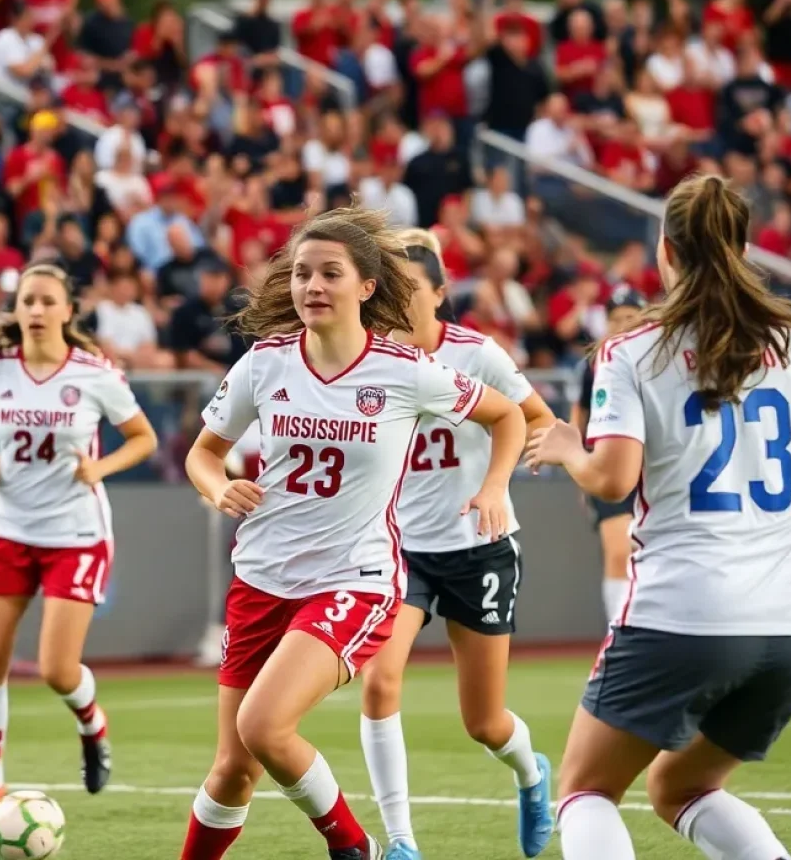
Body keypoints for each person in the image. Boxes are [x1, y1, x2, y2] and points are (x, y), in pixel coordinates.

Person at [178, 206, 528, 860]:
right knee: (234, 767)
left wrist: (493, 487)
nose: (312, 285)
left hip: (353, 580)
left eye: (329, 273)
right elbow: (203, 452)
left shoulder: (403, 370)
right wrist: (219, 484)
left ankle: (353, 845)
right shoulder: (264, 364)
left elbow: (507, 417)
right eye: (302, 273)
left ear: (366, 286)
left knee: (263, 725)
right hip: (259, 580)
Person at [526, 173, 791, 860]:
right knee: (681, 787)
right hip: (786, 621)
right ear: (744, 248)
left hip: (683, 610)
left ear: (664, 252)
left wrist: (565, 447)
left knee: (584, 789)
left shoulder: (633, 351)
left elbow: (612, 477)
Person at [358, 229, 556, 860]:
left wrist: (501, 480)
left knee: (484, 722)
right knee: (379, 682)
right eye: (387, 288)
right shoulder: (369, 359)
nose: (397, 300)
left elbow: (539, 419)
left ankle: (531, 774)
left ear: (440, 295)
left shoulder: (479, 355)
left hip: (479, 547)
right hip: (400, 550)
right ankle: (401, 841)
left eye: (410, 288)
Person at [0, 262, 159, 819]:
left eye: (47, 301)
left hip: (75, 533)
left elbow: (143, 438)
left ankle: (92, 725)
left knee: (56, 670)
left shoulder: (95, 373)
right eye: (27, 301)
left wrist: (102, 467)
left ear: (68, 311)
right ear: (15, 311)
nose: (36, 311)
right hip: (6, 527)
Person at [570, 283, 647, 625]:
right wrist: (581, 470)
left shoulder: (659, 357)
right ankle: (619, 630)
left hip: (651, 468)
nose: (623, 324)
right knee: (618, 550)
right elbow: (578, 419)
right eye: (616, 318)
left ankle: (645, 624)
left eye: (631, 316)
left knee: (645, 552)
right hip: (608, 462)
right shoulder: (595, 363)